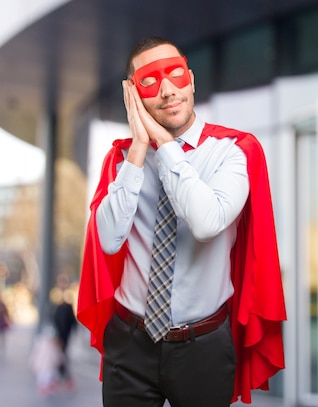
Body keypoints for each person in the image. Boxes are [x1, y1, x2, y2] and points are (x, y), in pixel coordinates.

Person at [76, 36, 286, 407]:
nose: (169, 90)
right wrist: (141, 148)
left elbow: (207, 222)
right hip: (130, 343)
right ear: (133, 94)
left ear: (191, 78)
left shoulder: (233, 152)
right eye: (151, 82)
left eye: (176, 75)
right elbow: (107, 241)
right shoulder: (122, 161)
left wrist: (165, 143)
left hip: (202, 346)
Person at [51, 273, 77, 390]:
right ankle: (60, 376)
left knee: (62, 355)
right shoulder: (54, 297)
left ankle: (63, 376)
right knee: (58, 355)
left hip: (65, 333)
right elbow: (52, 316)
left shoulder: (68, 298)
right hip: (58, 333)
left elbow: (71, 318)